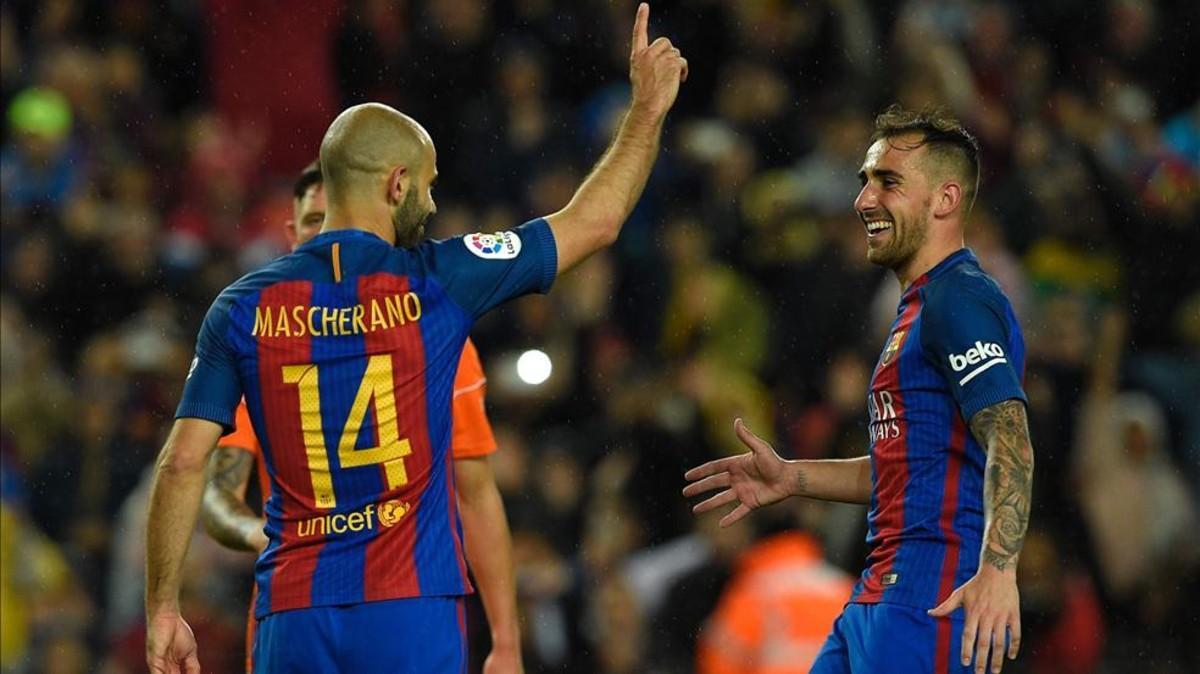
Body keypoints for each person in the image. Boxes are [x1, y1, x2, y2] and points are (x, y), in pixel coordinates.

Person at [144, 3, 686, 672]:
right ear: (397, 183)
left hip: (292, 613)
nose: (430, 205)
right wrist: (646, 112)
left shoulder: (242, 306)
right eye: (426, 187)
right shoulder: (439, 281)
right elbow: (594, 223)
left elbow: (181, 464)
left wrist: (163, 608)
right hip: (409, 608)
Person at [684, 105, 1035, 674]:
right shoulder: (915, 311)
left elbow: (1010, 434)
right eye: (865, 180)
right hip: (876, 593)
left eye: (888, 182)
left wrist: (997, 570)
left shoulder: (959, 299)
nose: (863, 200)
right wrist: (794, 477)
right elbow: (906, 467)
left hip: (934, 595)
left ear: (945, 199)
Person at [199, 161, 523, 673]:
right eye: (315, 221)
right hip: (302, 618)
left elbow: (476, 492)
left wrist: (506, 640)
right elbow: (216, 493)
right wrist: (264, 533)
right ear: (293, 233)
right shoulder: (260, 343)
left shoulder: (445, 343)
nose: (333, 236)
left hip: (395, 614)